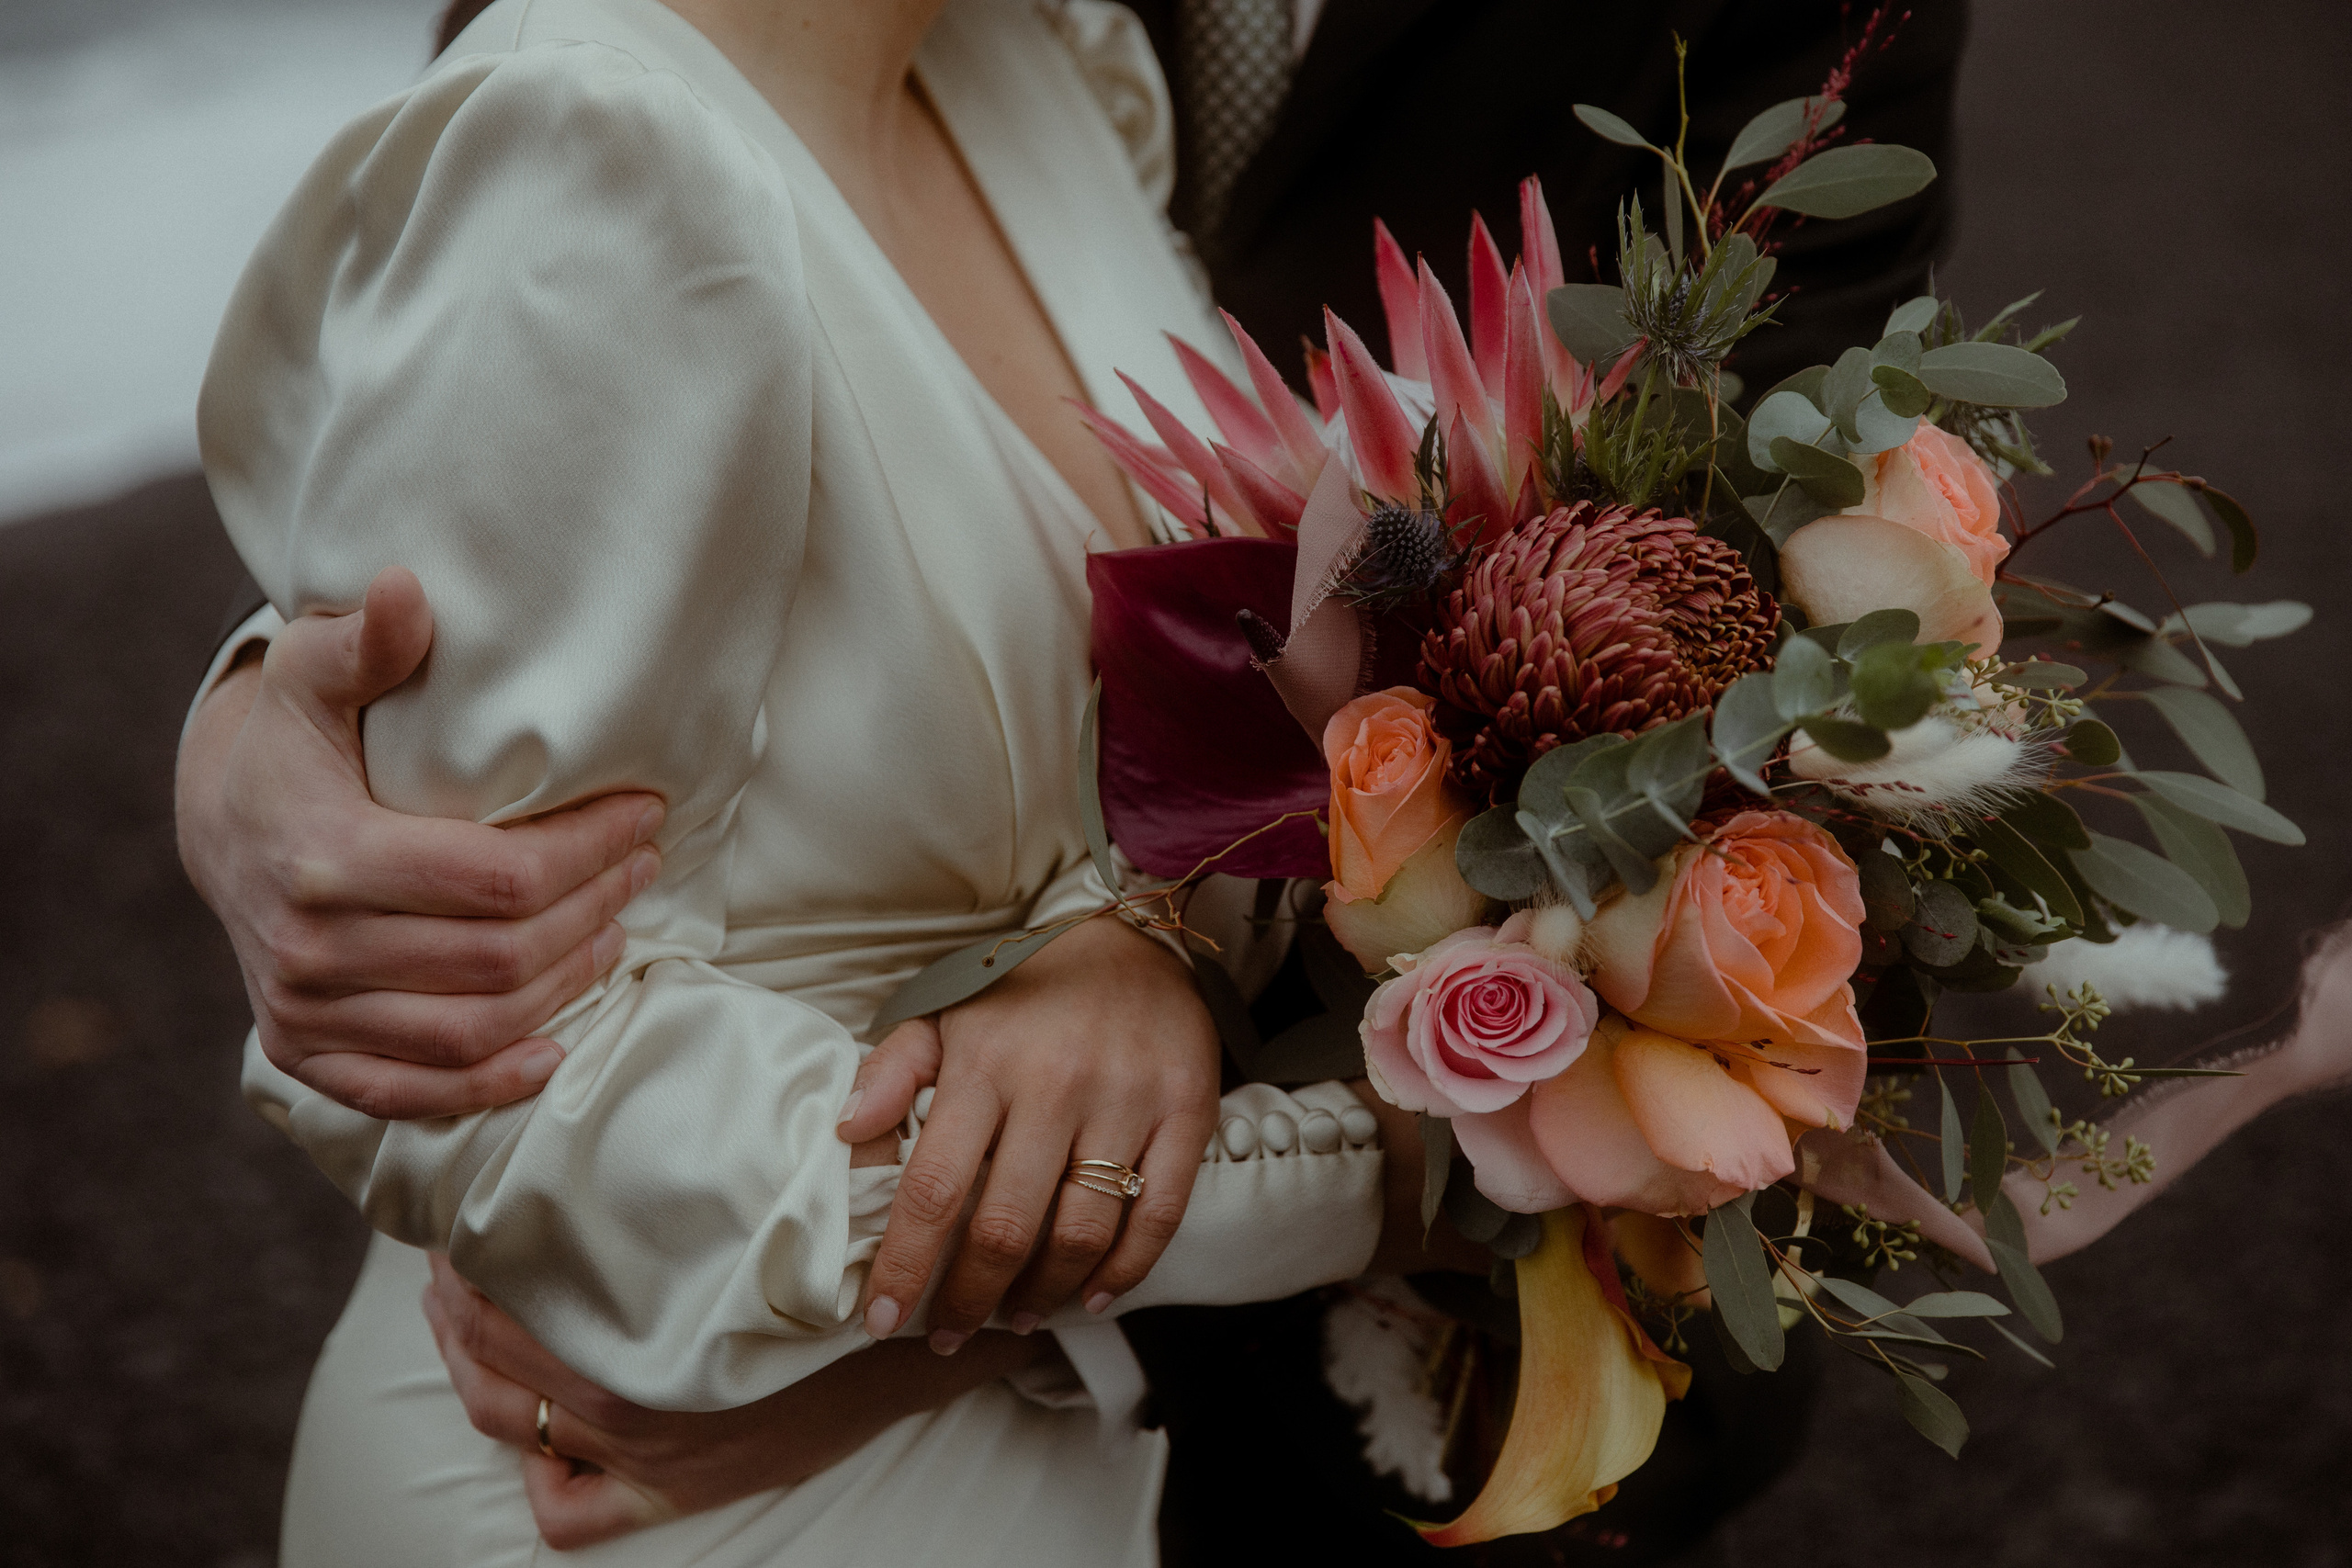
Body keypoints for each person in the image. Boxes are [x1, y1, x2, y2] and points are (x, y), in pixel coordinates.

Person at [178, 2, 1974, 1562]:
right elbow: (501, 1082)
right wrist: (1404, 1157)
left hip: (1073, 1442)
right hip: (638, 1476)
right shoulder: (592, 149)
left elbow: (1764, 652)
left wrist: (1128, 934)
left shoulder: (1038, 60)